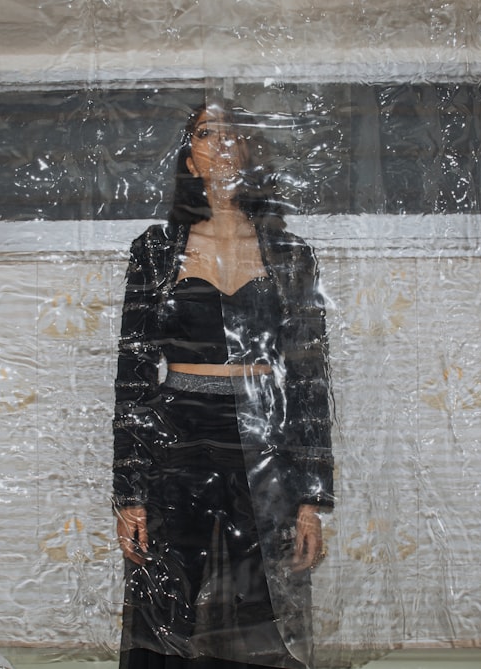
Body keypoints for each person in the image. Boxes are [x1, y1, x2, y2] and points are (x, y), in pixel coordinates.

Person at [112, 102, 334, 669]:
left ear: (252, 153)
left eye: (236, 133)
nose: (223, 142)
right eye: (207, 133)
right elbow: (133, 375)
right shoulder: (156, 253)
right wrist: (129, 493)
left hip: (266, 432)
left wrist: (311, 499)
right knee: (170, 591)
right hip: (177, 430)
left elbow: (309, 379)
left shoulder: (290, 254)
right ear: (191, 157)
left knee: (259, 593)